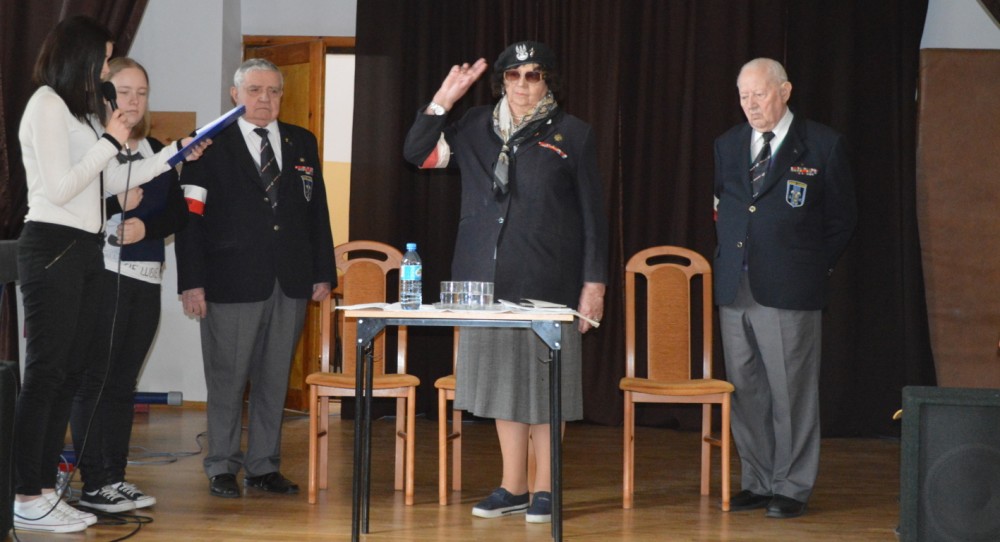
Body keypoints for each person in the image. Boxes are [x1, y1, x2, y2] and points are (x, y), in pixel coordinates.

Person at [14, 16, 207, 533]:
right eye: (102, 59)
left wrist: (175, 152)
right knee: (47, 376)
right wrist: (112, 138)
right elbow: (59, 188)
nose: (104, 69)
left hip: (83, 248)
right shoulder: (47, 104)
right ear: (78, 56)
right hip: (52, 246)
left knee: (69, 374)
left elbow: (118, 177)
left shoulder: (79, 115)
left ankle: (46, 491)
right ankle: (26, 494)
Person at [403, 41, 608, 523]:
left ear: (548, 81)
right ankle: (513, 486)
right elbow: (417, 153)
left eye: (533, 75)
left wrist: (594, 284)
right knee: (502, 387)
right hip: (483, 281)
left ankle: (546, 488)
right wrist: (443, 101)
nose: (522, 85)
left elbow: (594, 217)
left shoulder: (573, 133)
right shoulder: (474, 126)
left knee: (545, 388)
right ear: (501, 82)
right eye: (513, 76)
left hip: (548, 280)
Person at [175, 58, 335, 499]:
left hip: (291, 280)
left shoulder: (302, 141)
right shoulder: (208, 145)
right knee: (228, 379)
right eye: (255, 90)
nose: (265, 99)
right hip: (230, 281)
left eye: (273, 91)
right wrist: (191, 282)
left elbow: (316, 211)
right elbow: (190, 219)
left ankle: (263, 465)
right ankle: (222, 465)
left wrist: (323, 271)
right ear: (235, 95)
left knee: (274, 378)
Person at [712, 58, 857, 519]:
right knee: (746, 391)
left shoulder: (822, 144)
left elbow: (842, 220)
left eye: (759, 94)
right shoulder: (728, 144)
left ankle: (792, 486)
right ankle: (758, 480)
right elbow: (724, 207)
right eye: (743, 96)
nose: (751, 105)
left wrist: (810, 267)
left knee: (791, 394)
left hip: (791, 290)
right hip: (735, 287)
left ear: (785, 91)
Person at [68, 57, 189, 514]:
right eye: (124, 92)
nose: (134, 101)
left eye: (142, 92)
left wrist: (146, 228)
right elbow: (63, 203)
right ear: (104, 95)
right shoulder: (91, 146)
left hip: (146, 278)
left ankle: (115, 478)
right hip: (102, 276)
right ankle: (93, 482)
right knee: (95, 381)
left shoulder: (155, 149)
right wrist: (114, 206)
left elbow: (177, 213)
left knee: (123, 383)